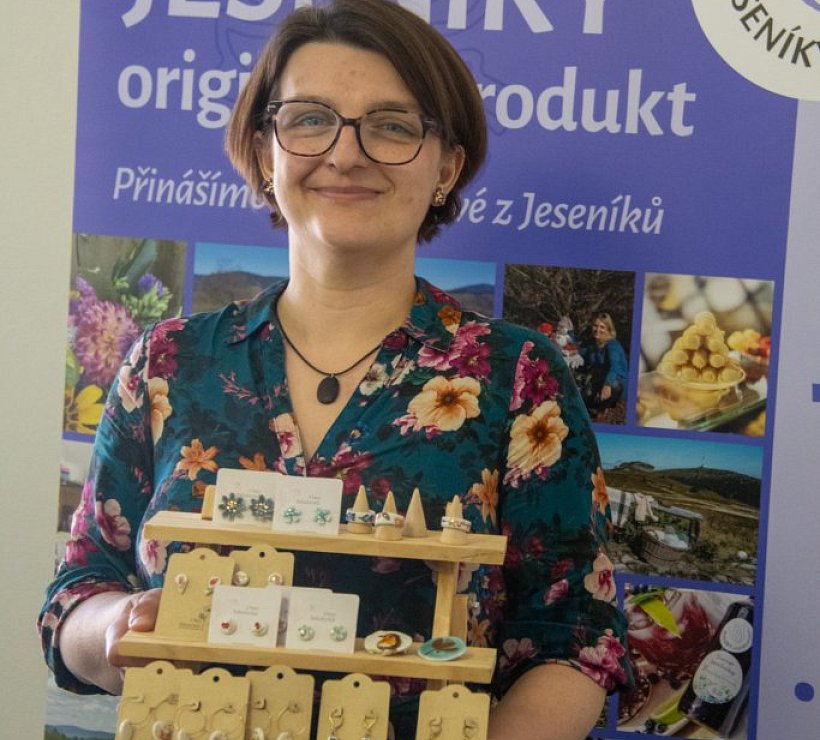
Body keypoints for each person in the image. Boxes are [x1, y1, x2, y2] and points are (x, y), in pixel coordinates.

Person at [39, 2, 631, 737]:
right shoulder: (168, 363)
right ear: (266, 152)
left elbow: (574, 637)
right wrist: (118, 626)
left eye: (392, 125)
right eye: (311, 119)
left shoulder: (517, 378)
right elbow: (77, 591)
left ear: (446, 166)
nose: (346, 154)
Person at [578, 312, 629, 413]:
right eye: (595, 326)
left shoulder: (613, 345)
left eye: (602, 327)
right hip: (599, 380)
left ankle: (603, 409)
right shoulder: (591, 343)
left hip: (615, 381)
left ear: (609, 330)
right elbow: (579, 354)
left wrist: (607, 385)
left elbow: (614, 368)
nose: (598, 329)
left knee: (614, 385)